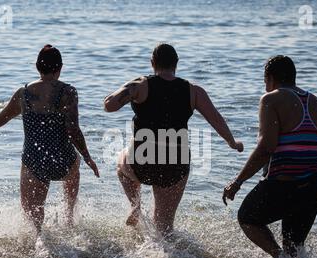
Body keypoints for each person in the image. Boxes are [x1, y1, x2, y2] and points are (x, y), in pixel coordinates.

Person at [104, 43, 243, 235]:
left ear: (152, 63)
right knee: (165, 227)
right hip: (175, 166)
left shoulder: (141, 85)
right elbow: (216, 120)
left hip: (141, 163)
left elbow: (109, 105)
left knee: (121, 161)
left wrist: (130, 85)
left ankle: (135, 207)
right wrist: (232, 143)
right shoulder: (194, 91)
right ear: (176, 64)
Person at [0, 44, 99, 234]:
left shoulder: (23, 93)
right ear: (60, 68)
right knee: (74, 163)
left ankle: (38, 241)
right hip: (63, 161)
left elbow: (1, 117)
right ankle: (69, 216)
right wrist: (87, 157)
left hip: (34, 161)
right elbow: (73, 130)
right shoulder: (68, 92)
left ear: (37, 67)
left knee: (33, 220)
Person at [223, 55, 317, 258]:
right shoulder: (316, 102)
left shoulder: (271, 99)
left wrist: (237, 182)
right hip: (313, 187)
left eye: (265, 82)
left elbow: (266, 148)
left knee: (247, 218)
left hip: (282, 185)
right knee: (293, 248)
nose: (265, 88)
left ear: (270, 78)